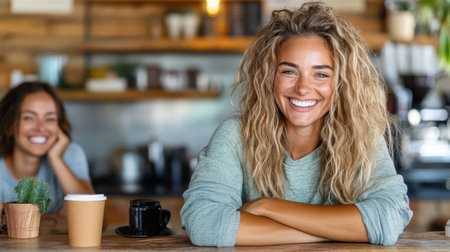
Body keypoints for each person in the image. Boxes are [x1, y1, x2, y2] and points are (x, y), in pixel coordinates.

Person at [180, 2, 413, 247]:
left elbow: (390, 216)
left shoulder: (361, 137)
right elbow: (204, 222)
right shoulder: (235, 136)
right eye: (289, 72)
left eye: (321, 74)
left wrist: (269, 207)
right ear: (269, 76)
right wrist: (343, 229)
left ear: (341, 83)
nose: (302, 88)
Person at [0, 82, 95, 216]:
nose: (40, 127)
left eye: (50, 118)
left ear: (59, 127)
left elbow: (94, 217)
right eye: (29, 118)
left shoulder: (70, 154)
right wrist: (56, 222)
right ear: (9, 125)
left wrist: (56, 159)